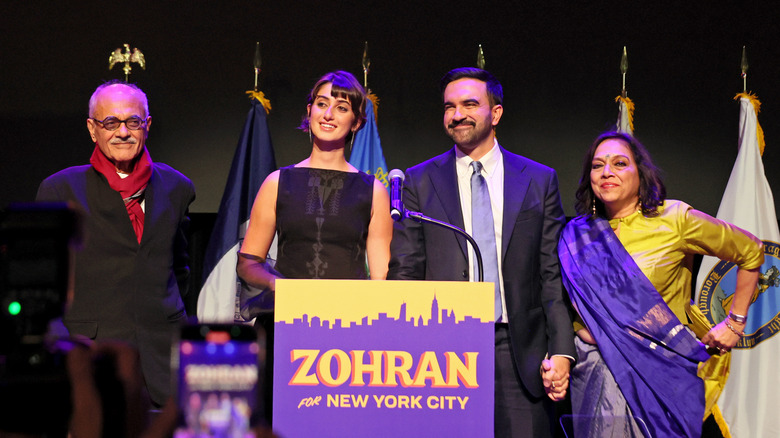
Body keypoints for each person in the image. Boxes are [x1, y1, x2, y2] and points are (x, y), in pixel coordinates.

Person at [388, 67, 575, 438]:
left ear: (496, 112)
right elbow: (406, 272)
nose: (457, 115)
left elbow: (550, 273)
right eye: (449, 107)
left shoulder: (539, 179)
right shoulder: (420, 180)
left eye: (470, 104)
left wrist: (562, 351)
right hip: (441, 354)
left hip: (518, 350)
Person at [558, 131, 763, 438]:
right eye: (598, 165)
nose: (607, 172)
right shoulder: (576, 235)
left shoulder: (674, 218)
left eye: (619, 163)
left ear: (640, 173)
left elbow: (751, 251)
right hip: (594, 372)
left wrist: (735, 323)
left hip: (661, 373)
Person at [236, 70, 393, 422]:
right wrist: (282, 286)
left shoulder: (374, 191)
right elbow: (248, 262)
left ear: (356, 122)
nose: (328, 114)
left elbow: (381, 275)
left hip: (349, 334)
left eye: (341, 107)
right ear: (308, 112)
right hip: (285, 329)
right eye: (321, 104)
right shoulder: (278, 182)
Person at [36, 80, 195, 408]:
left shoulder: (177, 187)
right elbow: (46, 282)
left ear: (147, 125)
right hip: (94, 358)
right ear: (93, 129)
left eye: (132, 121)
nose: (122, 132)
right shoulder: (60, 190)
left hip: (163, 360)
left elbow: (180, 270)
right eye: (111, 123)